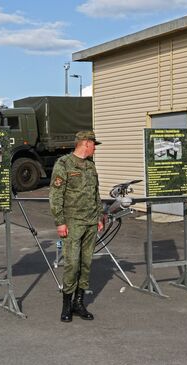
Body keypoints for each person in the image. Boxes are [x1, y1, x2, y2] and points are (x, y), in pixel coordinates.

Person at [49, 130, 104, 322]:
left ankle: (79, 304)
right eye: (94, 144)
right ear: (86, 143)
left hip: (90, 221)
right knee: (72, 264)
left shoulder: (90, 165)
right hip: (72, 223)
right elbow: (56, 195)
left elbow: (95, 192)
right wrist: (60, 222)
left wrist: (99, 216)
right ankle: (66, 306)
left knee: (86, 264)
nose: (95, 148)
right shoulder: (64, 164)